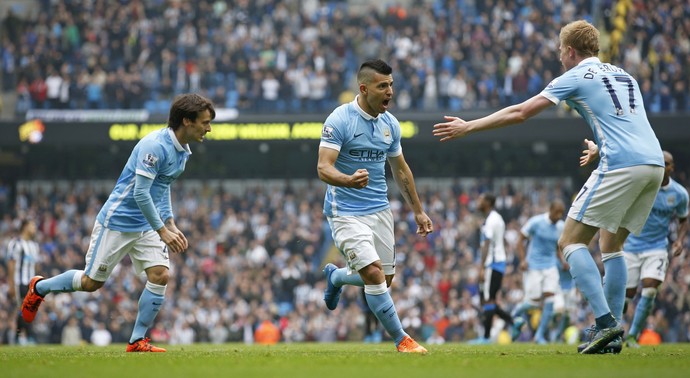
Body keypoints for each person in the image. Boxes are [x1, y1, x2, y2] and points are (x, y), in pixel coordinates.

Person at [433, 20, 664, 354]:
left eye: (560, 51)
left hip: (623, 164)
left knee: (569, 241)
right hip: (653, 163)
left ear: (570, 50)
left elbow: (522, 112)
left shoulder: (573, 76)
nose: (559, 57)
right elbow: (629, 123)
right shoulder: (624, 75)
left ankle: (605, 324)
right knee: (612, 244)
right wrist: (600, 148)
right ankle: (612, 335)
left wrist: (470, 126)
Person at [20, 93, 215, 352]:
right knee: (92, 283)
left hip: (147, 223)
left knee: (161, 275)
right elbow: (140, 193)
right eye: (204, 122)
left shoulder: (183, 151)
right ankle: (40, 287)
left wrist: (169, 222)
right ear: (187, 121)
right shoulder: (154, 146)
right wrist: (162, 231)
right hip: (119, 221)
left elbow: (162, 186)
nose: (209, 128)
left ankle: (137, 340)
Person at [317, 59, 433, 354]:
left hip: (379, 210)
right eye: (383, 86)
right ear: (364, 88)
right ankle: (402, 340)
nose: (390, 91)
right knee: (373, 274)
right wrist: (347, 180)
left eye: (391, 85)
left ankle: (337, 276)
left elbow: (401, 170)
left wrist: (418, 210)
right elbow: (323, 167)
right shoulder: (340, 120)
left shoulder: (390, 124)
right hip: (344, 211)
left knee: (386, 279)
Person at [623, 150, 688, 348]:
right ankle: (615, 326)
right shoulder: (642, 187)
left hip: (657, 246)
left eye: (666, 164)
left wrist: (679, 240)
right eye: (659, 163)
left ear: (671, 167)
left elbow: (683, 219)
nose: (662, 167)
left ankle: (633, 335)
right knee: (628, 293)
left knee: (650, 288)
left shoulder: (679, 194)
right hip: (632, 245)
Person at [510, 200, 566, 344]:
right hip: (534, 265)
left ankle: (539, 336)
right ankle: (515, 313)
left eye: (561, 213)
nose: (559, 216)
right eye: (557, 213)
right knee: (533, 302)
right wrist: (522, 260)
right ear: (550, 210)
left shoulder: (560, 227)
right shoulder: (536, 222)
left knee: (550, 299)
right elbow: (520, 240)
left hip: (551, 266)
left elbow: (556, 247)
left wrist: (561, 261)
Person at [471, 193, 513, 343]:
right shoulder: (496, 218)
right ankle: (514, 321)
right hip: (498, 262)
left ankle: (486, 338)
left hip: (492, 263)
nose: (478, 202)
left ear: (488, 202)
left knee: (487, 300)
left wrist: (482, 268)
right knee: (490, 300)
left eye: (480, 200)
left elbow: (487, 244)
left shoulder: (491, 220)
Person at [7, 219, 40, 344]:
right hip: (19, 282)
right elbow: (11, 265)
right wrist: (11, 285)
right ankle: (25, 336)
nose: (35, 228)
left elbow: (36, 266)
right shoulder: (16, 243)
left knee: (29, 310)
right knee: (23, 309)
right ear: (25, 227)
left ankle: (19, 337)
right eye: (33, 225)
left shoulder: (34, 245)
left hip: (31, 283)